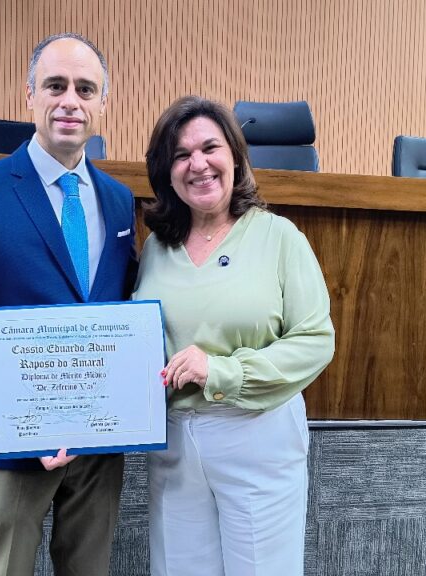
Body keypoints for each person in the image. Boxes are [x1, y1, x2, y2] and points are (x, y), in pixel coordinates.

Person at [0, 33, 136, 576]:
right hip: (13, 446)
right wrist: (23, 423)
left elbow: (115, 310)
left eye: (85, 88)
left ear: (101, 104)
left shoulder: (118, 200)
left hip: (98, 442)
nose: (70, 99)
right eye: (56, 85)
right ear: (30, 96)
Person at [134, 96, 335, 576]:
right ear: (167, 171)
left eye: (210, 147)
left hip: (257, 434)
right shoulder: (155, 250)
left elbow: (315, 341)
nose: (197, 164)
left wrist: (220, 369)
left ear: (235, 156)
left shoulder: (279, 237)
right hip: (176, 445)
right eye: (181, 155)